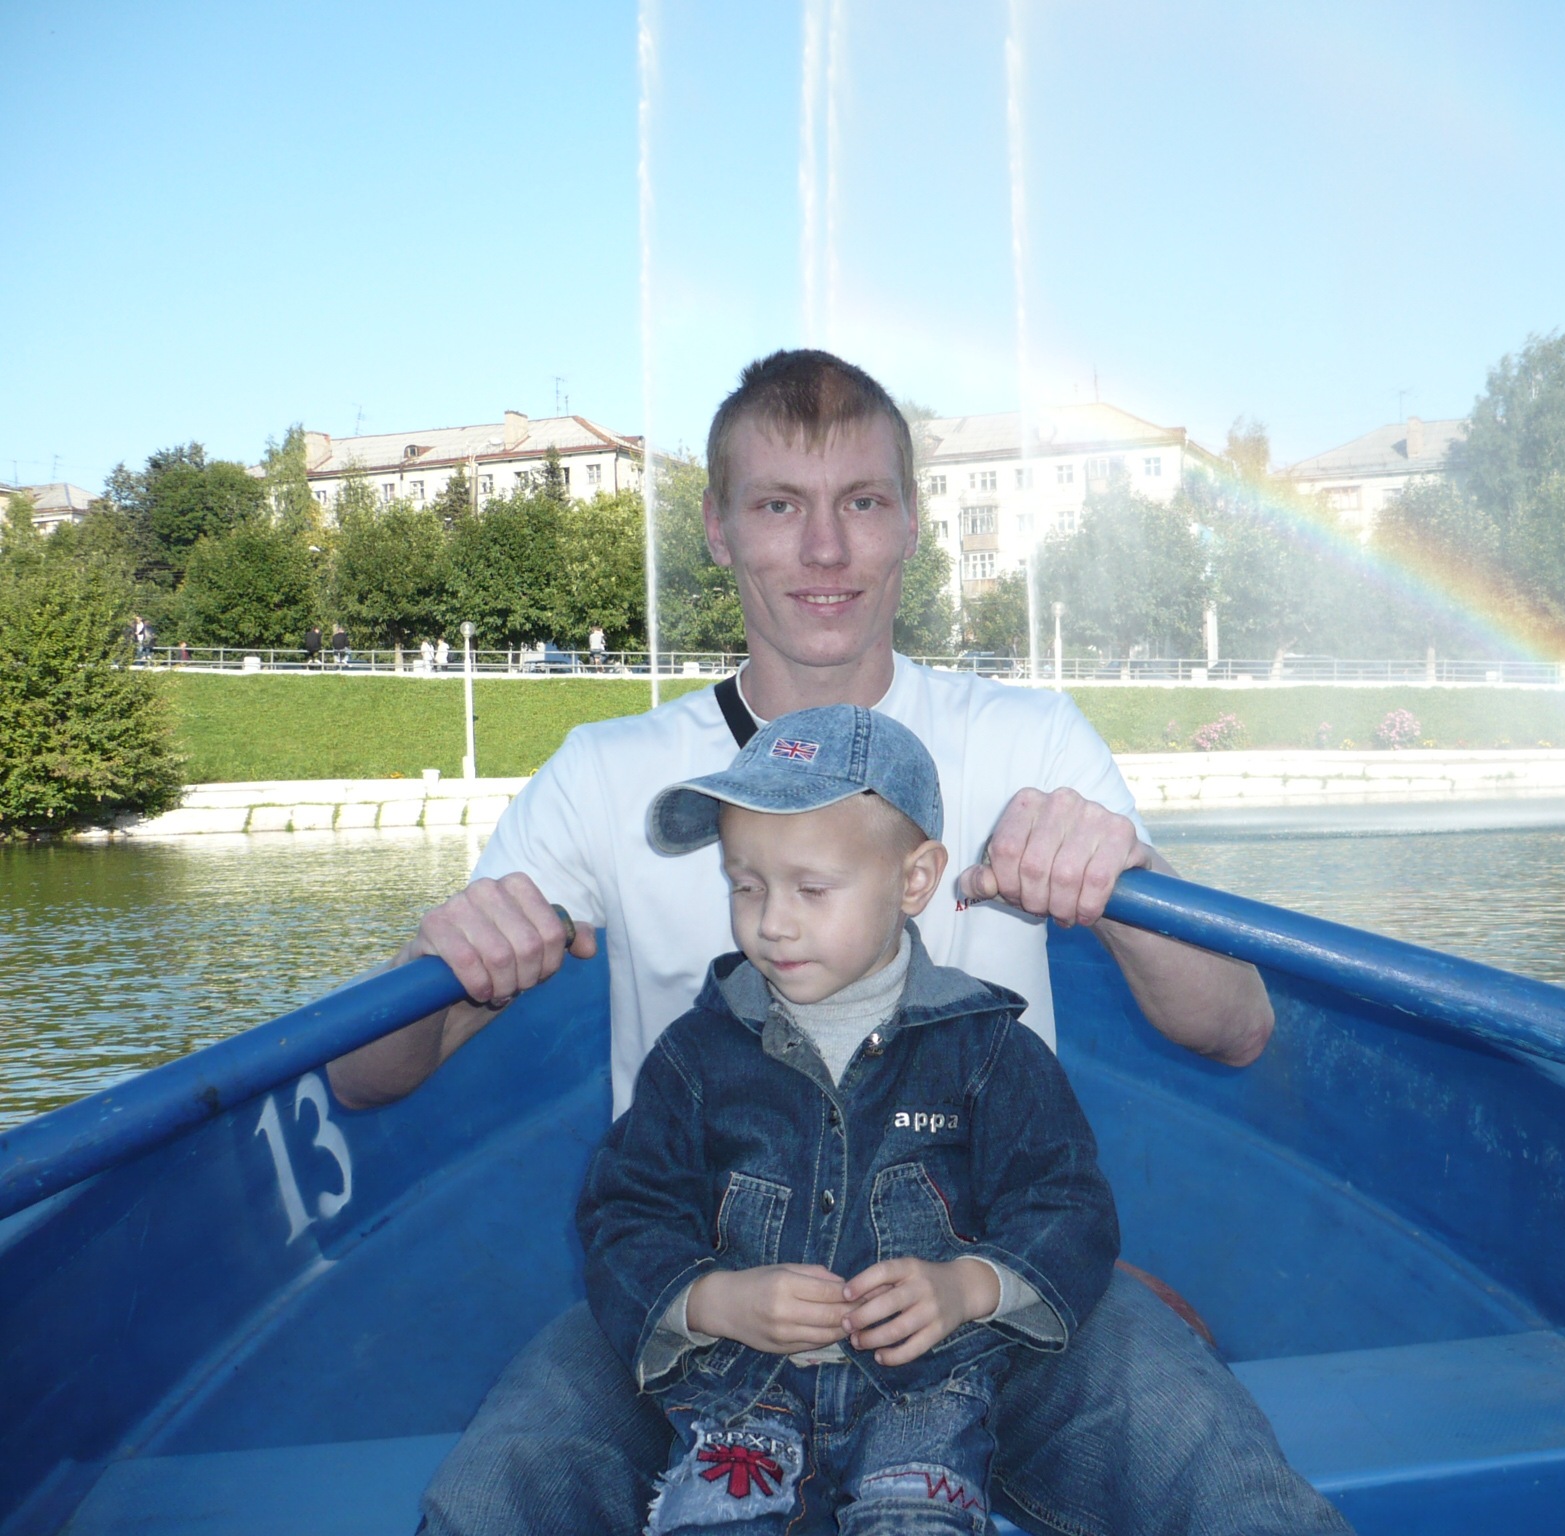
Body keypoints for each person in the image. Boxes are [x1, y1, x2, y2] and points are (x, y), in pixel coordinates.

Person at [329, 349, 1337, 1536]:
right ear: (717, 531)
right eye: (777, 506)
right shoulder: (602, 775)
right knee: (495, 1499)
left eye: (860, 502)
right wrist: (444, 958)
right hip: (700, 1303)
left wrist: (1125, 882)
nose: (823, 550)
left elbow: (1232, 1027)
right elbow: (364, 1075)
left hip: (978, 1293)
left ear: (909, 522)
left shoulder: (1031, 740)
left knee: (1233, 1492)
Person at [581, 703, 1118, 1533]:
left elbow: (1068, 1202)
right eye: (745, 885)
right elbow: (627, 1211)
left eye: (812, 889)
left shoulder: (987, 1050)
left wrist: (968, 1286)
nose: (772, 921)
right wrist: (713, 1301)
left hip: (927, 1397)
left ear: (915, 880)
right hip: (737, 1399)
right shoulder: (693, 1058)